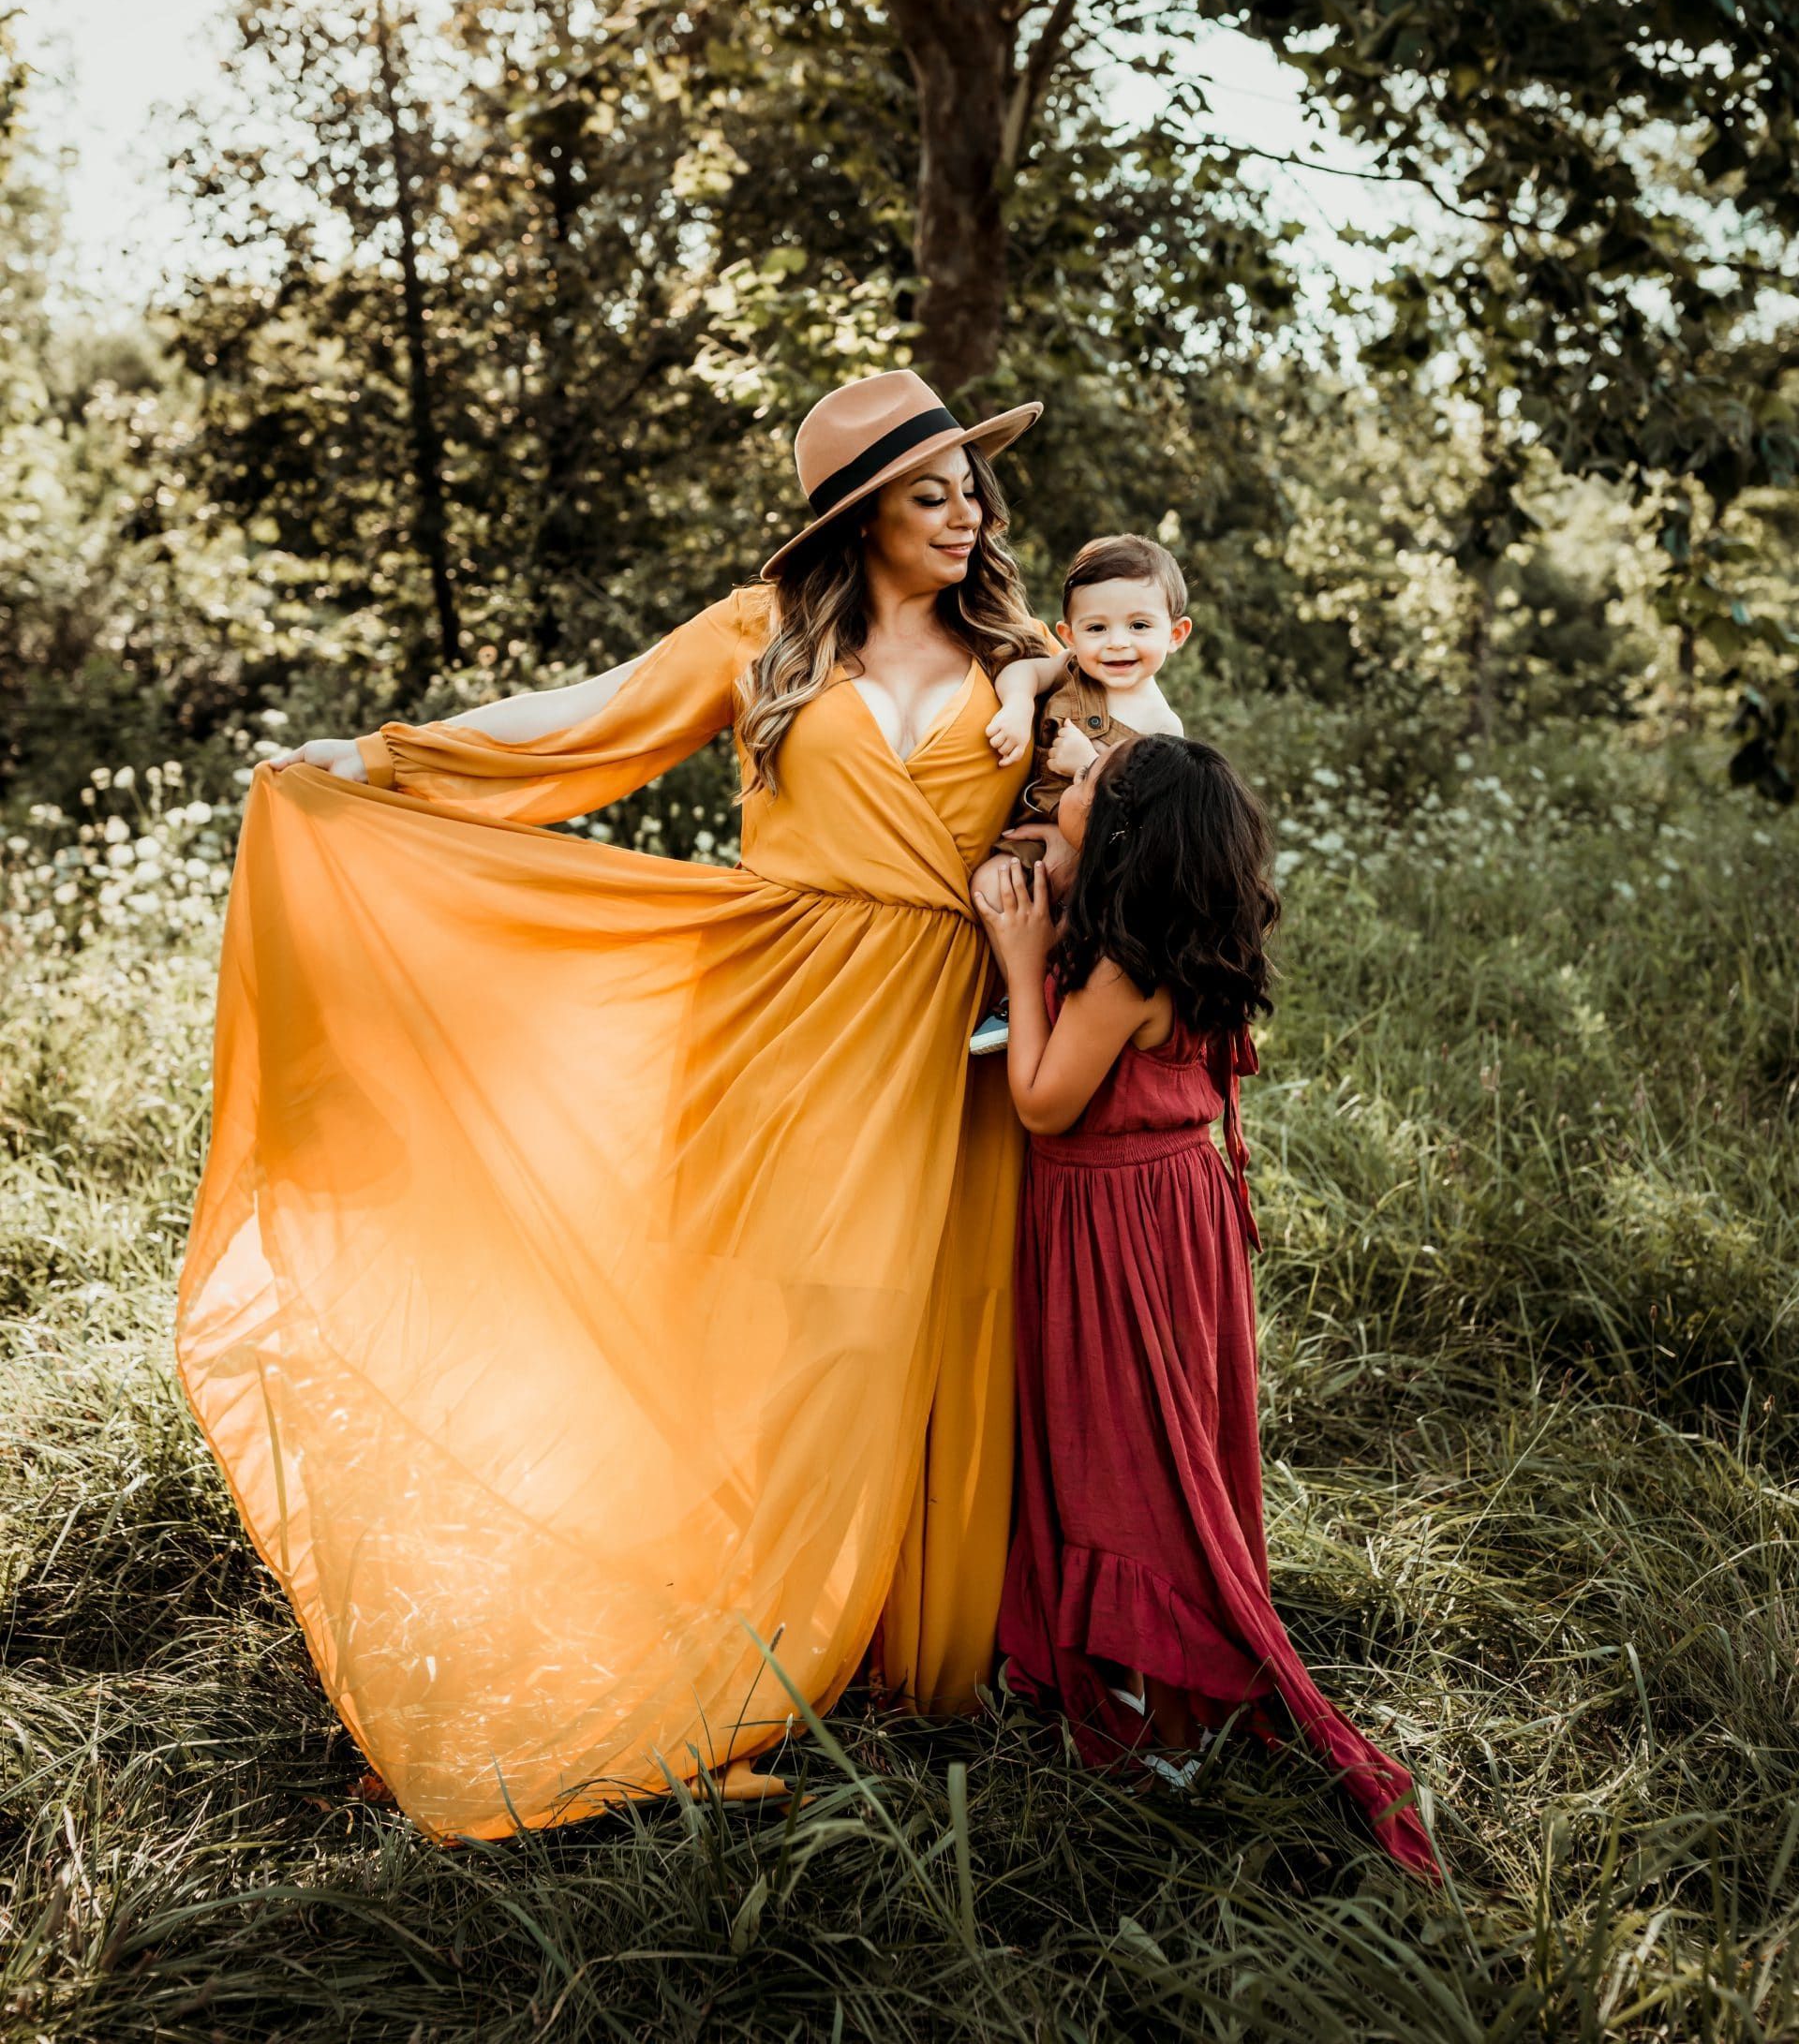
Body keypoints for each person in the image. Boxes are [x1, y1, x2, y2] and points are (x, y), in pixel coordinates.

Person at [178, 366, 1054, 1842]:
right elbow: (589, 723)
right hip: (771, 1019)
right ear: (861, 515)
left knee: (890, 1330)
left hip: (928, 1041)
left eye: (971, 486)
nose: (965, 511)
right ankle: (732, 1661)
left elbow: (1125, 786)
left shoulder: (1021, 656)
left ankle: (864, 1644)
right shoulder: (763, 636)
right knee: (767, 1333)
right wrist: (392, 757)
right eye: (931, 491)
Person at [974, 736, 1439, 1877]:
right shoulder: (1185, 940)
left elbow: (1040, 1102)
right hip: (1183, 1216)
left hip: (1115, 1228)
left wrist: (1019, 941)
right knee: (1170, 1441)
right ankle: (1164, 1700)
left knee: (1125, 1462)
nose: (1062, 785)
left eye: (1082, 786)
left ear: (1125, 839)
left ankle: (1169, 1731)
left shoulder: (1117, 975)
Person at [968, 533, 1192, 1054]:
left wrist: (1089, 764)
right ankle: (1016, 993)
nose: (1116, 643)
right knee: (991, 882)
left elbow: (1149, 813)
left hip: (1106, 859)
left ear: (1175, 634)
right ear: (1069, 633)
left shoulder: (1163, 727)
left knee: (1094, 925)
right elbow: (1022, 669)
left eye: (1138, 626)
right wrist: (1018, 708)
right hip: (1037, 833)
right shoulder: (1068, 667)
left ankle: (1059, 1001)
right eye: (1097, 628)